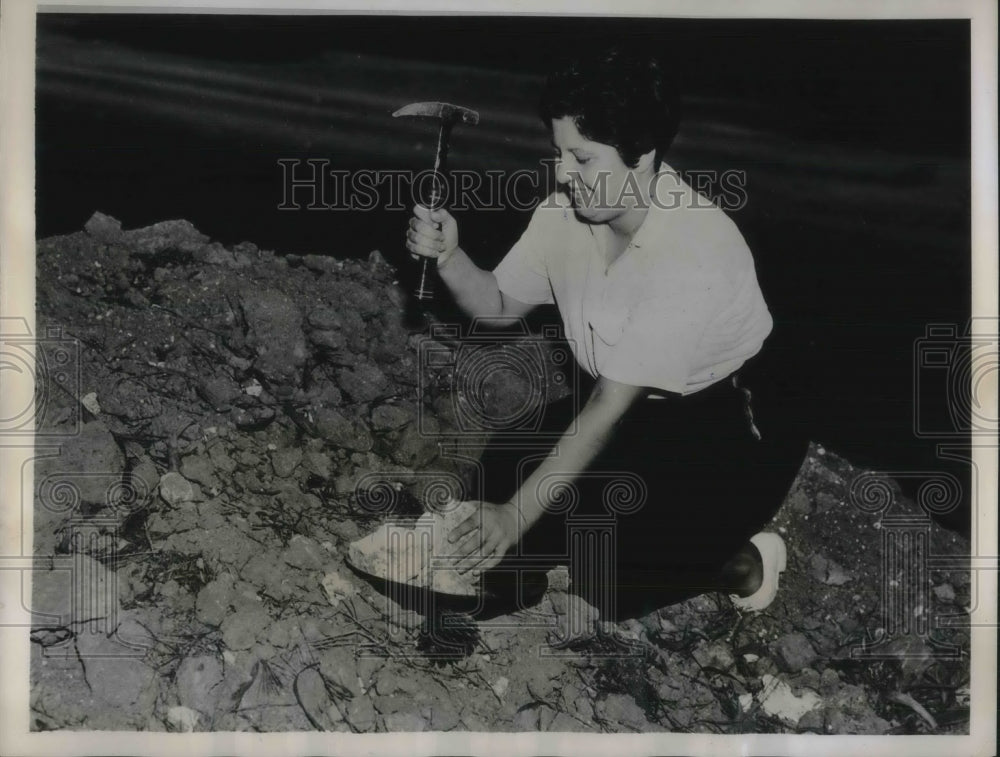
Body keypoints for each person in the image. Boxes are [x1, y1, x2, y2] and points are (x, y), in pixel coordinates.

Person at [405, 48, 807, 636]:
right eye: (559, 152)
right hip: (628, 402)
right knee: (500, 472)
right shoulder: (566, 214)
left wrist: (516, 517)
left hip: (726, 419)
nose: (563, 172)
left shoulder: (694, 252)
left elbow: (606, 412)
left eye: (583, 157)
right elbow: (495, 307)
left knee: (611, 572)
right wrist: (449, 256)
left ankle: (741, 561)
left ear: (642, 155)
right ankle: (514, 577)